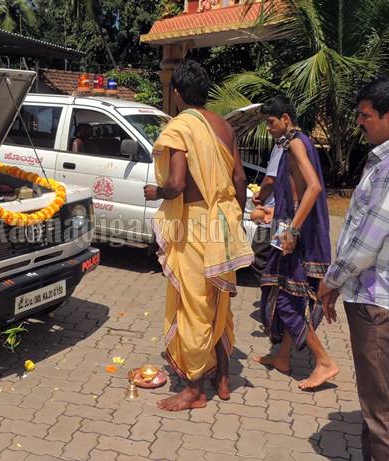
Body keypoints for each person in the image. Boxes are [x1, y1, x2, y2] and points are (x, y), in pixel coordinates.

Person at [317, 76, 389, 461]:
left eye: (366, 116)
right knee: (374, 401)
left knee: (382, 409)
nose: (360, 122)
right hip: (371, 294)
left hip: (379, 301)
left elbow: (368, 239)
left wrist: (331, 280)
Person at [143, 60, 253, 411]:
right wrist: (234, 217)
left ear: (176, 93)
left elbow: (175, 185)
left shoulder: (180, 127)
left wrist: (154, 192)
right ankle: (222, 379)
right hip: (222, 223)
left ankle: (193, 389)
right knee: (219, 301)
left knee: (194, 306)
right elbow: (239, 181)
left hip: (195, 225)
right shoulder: (223, 126)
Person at [252, 96, 337, 390]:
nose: (269, 129)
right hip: (288, 227)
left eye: (271, 122)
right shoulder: (293, 143)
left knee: (288, 302)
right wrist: (275, 212)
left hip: (295, 237)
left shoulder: (296, 143)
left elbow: (314, 187)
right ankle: (283, 356)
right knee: (284, 291)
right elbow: (297, 194)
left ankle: (324, 362)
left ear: (286, 118)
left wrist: (292, 230)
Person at [249, 143, 282, 275]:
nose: (268, 128)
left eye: (271, 122)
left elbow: (270, 180)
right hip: (284, 217)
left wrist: (260, 197)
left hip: (271, 219)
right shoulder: (298, 144)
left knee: (261, 264)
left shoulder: (282, 146)